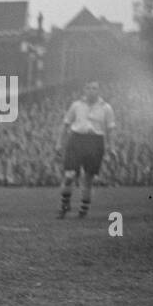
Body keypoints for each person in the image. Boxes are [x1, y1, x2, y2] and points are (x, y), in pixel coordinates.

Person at [57, 80, 116, 218]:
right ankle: (65, 206)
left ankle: (83, 210)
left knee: (88, 178)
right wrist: (59, 143)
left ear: (98, 90)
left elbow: (111, 129)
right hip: (76, 139)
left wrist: (112, 147)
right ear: (84, 90)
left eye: (94, 88)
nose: (91, 91)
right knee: (69, 175)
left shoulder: (106, 108)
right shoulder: (76, 105)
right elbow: (65, 125)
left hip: (96, 142)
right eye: (89, 88)